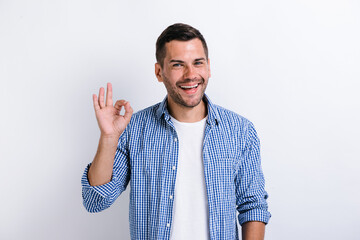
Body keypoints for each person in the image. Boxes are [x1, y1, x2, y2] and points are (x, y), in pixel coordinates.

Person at [82, 23, 271, 240]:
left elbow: (253, 206)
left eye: (197, 63)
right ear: (159, 72)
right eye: (178, 65)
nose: (191, 75)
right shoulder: (134, 129)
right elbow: (95, 201)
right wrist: (108, 138)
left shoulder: (240, 131)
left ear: (208, 67)